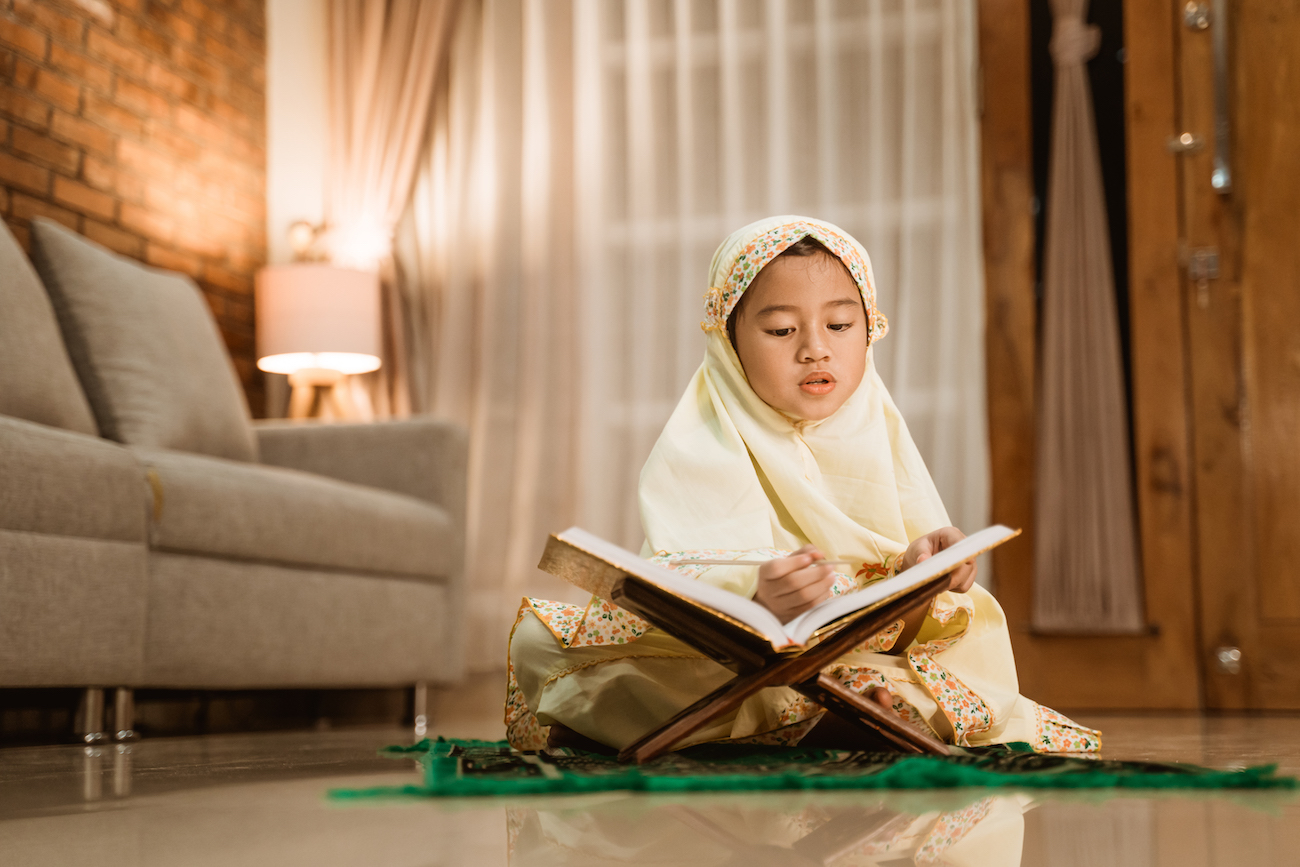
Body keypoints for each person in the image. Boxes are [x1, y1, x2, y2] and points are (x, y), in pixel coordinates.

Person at [505, 215, 1100, 755]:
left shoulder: (878, 432)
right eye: (782, 330)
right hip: (722, 665)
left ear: (869, 330)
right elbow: (674, 582)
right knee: (540, 641)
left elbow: (904, 629)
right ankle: (844, 719)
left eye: (840, 324)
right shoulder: (698, 441)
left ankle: (833, 714)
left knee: (951, 648)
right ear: (730, 343)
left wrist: (923, 575)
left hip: (860, 658)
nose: (817, 349)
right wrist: (754, 596)